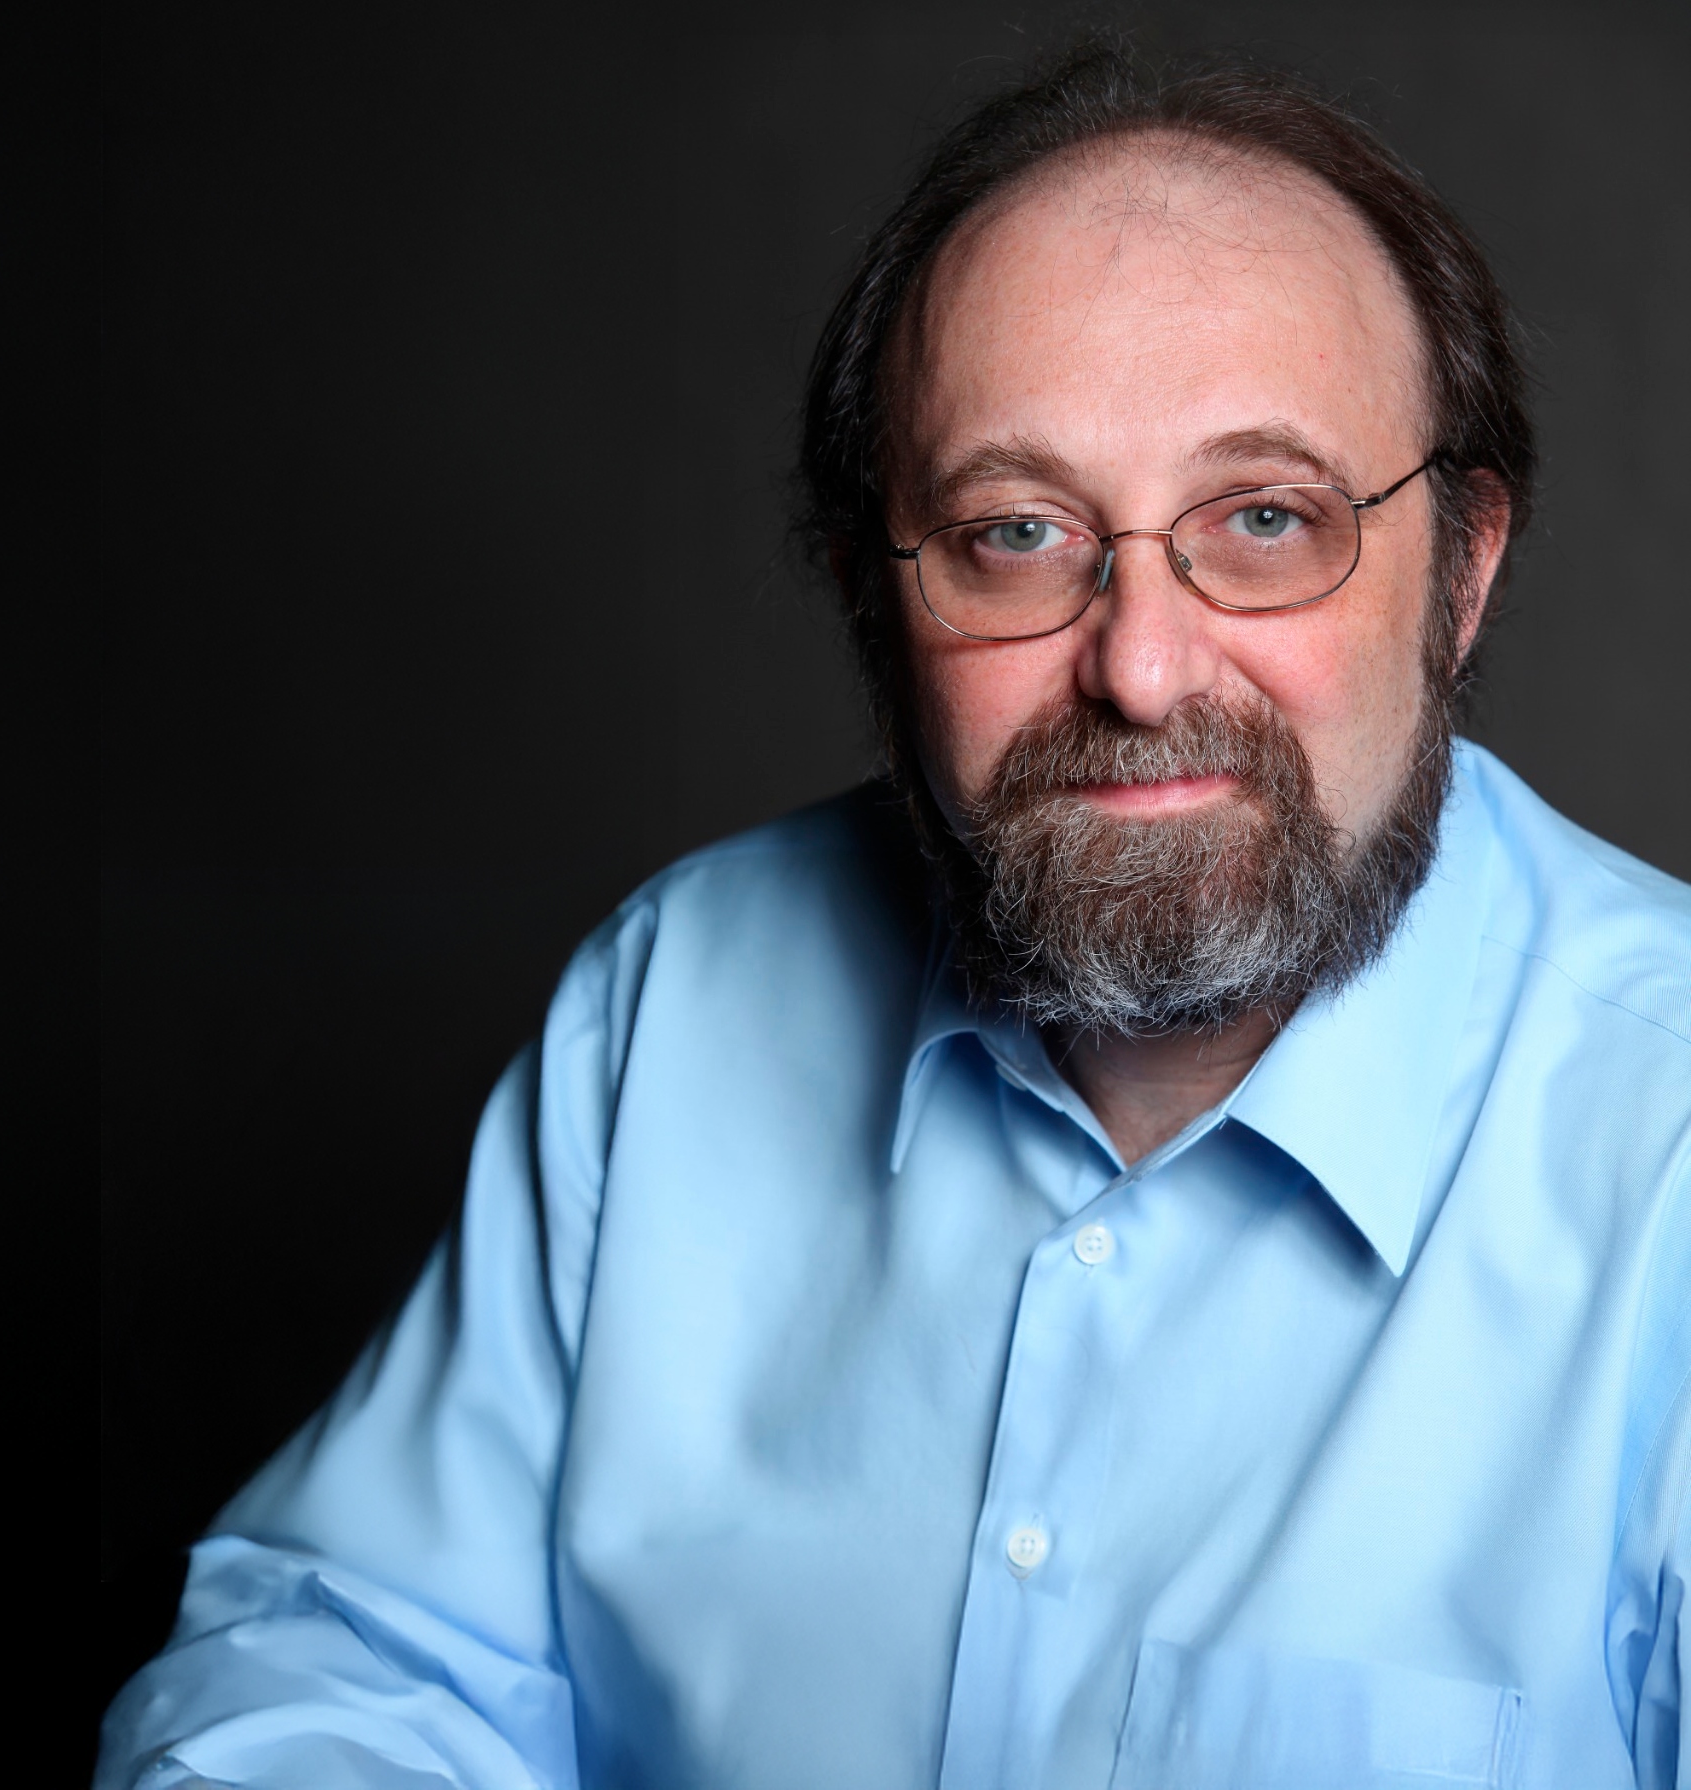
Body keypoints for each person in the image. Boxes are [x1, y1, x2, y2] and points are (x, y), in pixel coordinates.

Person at [99, 40, 1689, 1790]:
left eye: (1264, 517)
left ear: (1462, 572)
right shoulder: (675, 1005)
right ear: (876, 598)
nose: (1142, 668)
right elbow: (339, 1658)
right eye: (1017, 532)